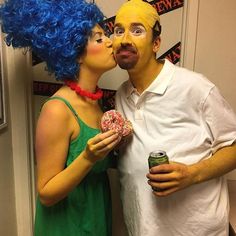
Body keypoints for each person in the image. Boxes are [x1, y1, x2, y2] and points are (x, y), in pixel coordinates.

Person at [112, 0, 236, 235]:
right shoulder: (122, 94)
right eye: (119, 30)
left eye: (137, 30)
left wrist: (192, 174)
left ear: (156, 43)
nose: (125, 39)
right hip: (143, 228)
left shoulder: (195, 87)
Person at [0, 0, 121, 235]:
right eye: (98, 38)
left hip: (95, 218)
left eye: (105, 35)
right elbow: (46, 193)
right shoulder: (57, 110)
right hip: (67, 226)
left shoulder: (95, 103)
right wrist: (88, 157)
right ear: (75, 54)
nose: (110, 42)